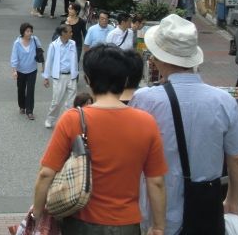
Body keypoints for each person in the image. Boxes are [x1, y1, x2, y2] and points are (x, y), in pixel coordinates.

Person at [131, 14, 238, 235]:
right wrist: (232, 200)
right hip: (206, 209)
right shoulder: (224, 101)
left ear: (159, 58)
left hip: (159, 213)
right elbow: (237, 158)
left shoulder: (145, 99)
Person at [33, 44, 167, 235]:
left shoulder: (72, 119)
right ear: (125, 79)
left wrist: (37, 214)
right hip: (127, 224)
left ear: (87, 79)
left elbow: (46, 173)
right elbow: (156, 182)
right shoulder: (147, 122)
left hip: (80, 223)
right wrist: (159, 226)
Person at [42, 24, 78, 129]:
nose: (72, 33)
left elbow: (74, 59)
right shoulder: (54, 45)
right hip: (60, 76)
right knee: (57, 101)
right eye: (69, 32)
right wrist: (46, 77)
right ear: (63, 33)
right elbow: (49, 61)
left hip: (71, 75)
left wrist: (75, 73)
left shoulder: (73, 43)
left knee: (71, 101)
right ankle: (50, 119)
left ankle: (68, 121)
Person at [11, 22, 44, 121]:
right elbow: (14, 57)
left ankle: (29, 111)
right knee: (21, 89)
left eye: (31, 31)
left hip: (32, 70)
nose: (30, 33)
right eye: (27, 31)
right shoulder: (17, 43)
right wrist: (14, 70)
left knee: (30, 91)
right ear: (23, 32)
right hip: (20, 71)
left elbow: (40, 52)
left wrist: (43, 65)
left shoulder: (35, 40)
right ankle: (22, 106)